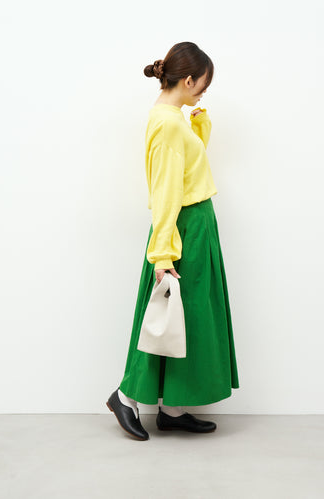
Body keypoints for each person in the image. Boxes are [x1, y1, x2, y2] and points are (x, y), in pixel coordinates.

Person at [106, 42, 239, 440]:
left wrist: (198, 129)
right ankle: (125, 397)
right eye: (203, 85)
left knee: (188, 316)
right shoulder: (166, 123)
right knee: (165, 314)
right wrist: (162, 253)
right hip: (184, 226)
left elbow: (186, 168)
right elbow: (165, 189)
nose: (204, 92)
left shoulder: (174, 118)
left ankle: (173, 407)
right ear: (188, 79)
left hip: (194, 224)